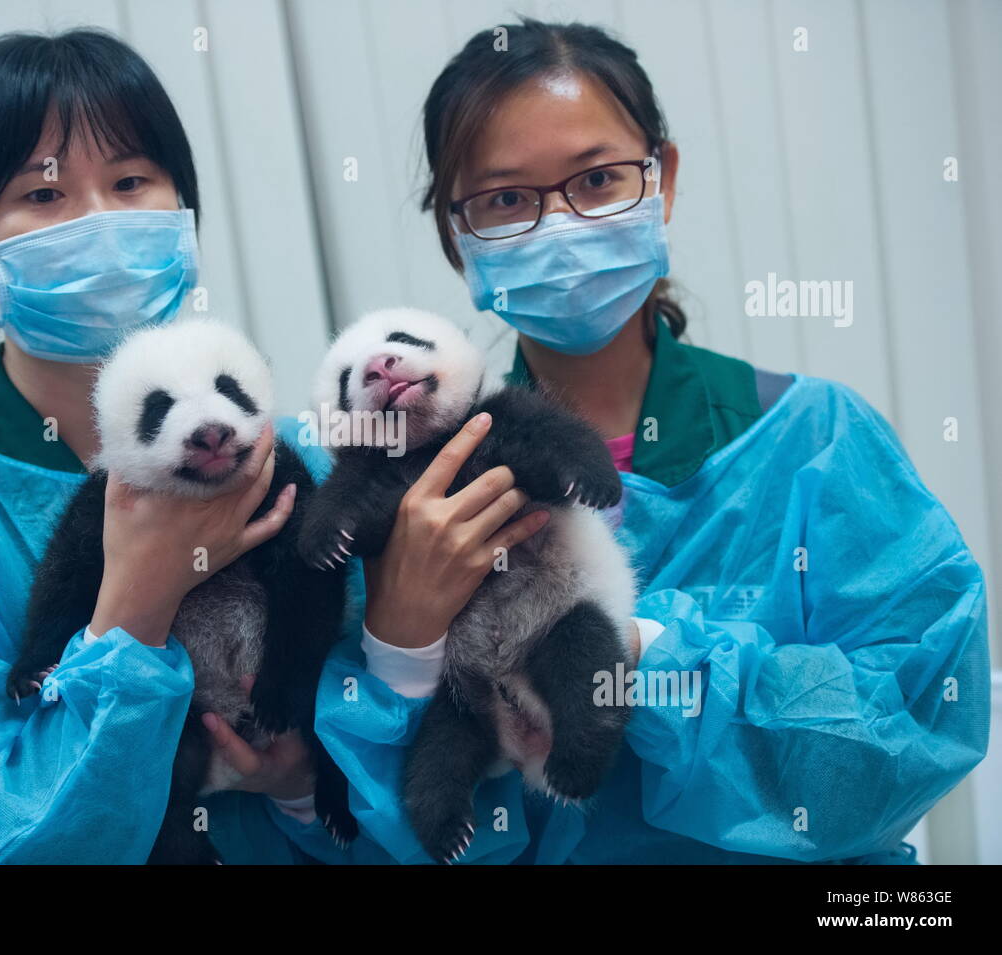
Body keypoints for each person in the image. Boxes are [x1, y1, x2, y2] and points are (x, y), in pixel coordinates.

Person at [313, 18, 990, 864]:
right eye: (506, 199)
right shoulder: (405, 500)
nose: (558, 226)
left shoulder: (815, 440)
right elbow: (374, 834)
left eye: (597, 180)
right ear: (458, 237)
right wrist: (401, 645)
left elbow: (912, 729)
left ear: (660, 181)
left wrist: (641, 653)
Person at [0, 29, 349, 864]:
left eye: (131, 182)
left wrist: (307, 789)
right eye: (44, 195)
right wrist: (134, 607)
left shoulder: (296, 461)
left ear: (184, 215)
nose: (99, 222)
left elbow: (417, 774)